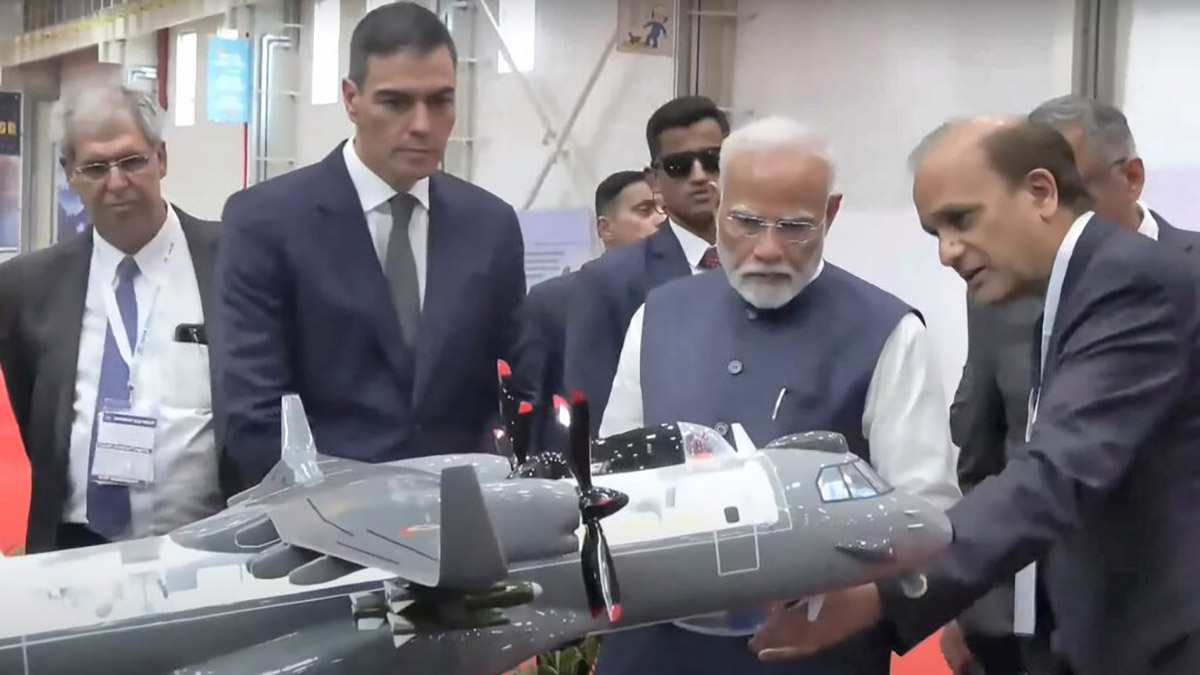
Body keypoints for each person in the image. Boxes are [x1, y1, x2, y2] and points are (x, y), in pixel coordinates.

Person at [748, 117, 1200, 675]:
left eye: (961, 220)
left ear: (1041, 192)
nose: (947, 252)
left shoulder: (1130, 283)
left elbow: (1057, 471)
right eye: (935, 232)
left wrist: (885, 592)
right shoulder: (1063, 291)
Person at [594, 116, 960, 675]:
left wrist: (862, 602)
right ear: (717, 206)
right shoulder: (659, 316)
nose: (768, 249)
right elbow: (610, 479)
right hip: (652, 650)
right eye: (746, 221)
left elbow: (927, 514)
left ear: (831, 215)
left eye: (795, 227)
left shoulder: (888, 332)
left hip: (814, 655)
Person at [216, 2, 526, 485]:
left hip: (464, 517)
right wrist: (340, 514)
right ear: (351, 99)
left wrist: (484, 487)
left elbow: (511, 388)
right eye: (396, 102)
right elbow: (255, 412)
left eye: (440, 101)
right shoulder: (266, 223)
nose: (422, 124)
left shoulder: (490, 226)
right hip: (320, 526)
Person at [942, 96, 1200, 675]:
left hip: (1163, 621)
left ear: (1130, 178)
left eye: (1070, 190)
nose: (1048, 212)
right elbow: (983, 448)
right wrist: (973, 603)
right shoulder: (997, 286)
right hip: (1025, 624)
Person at [0, 83, 230, 552]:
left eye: (132, 161)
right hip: (74, 545)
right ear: (70, 174)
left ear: (161, 158)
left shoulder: (232, 262)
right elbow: (31, 413)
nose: (117, 181)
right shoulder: (27, 287)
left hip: (210, 541)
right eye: (96, 167)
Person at [564, 96, 728, 435]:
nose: (699, 176)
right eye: (680, 166)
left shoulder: (768, 270)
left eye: (713, 160)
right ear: (653, 179)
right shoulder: (608, 282)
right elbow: (594, 414)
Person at [517, 171, 660, 453]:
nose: (659, 219)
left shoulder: (675, 295)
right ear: (605, 228)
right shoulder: (553, 299)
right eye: (644, 211)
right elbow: (534, 397)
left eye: (662, 209)